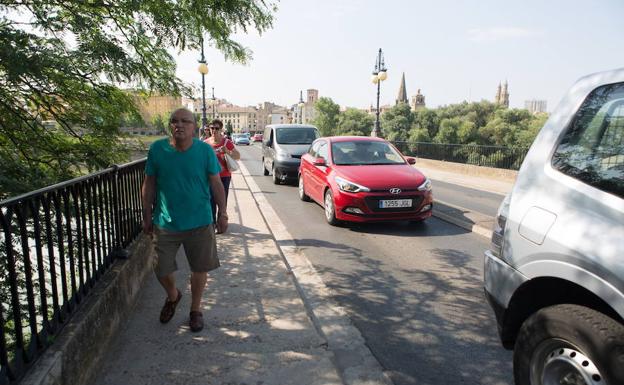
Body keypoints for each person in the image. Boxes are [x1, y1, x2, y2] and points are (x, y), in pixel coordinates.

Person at [141, 108, 228, 333]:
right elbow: (149, 183)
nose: (179, 125)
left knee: (200, 268)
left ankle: (195, 310)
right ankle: (173, 295)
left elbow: (216, 183)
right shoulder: (157, 149)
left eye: (185, 121)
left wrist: (223, 213)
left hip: (200, 220)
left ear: (194, 127)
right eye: (174, 121)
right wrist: (146, 215)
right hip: (166, 221)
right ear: (170, 125)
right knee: (161, 268)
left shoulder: (204, 151)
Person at [204, 119, 240, 229]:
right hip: (210, 177)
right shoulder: (206, 143)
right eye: (212, 128)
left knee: (222, 201)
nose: (214, 130)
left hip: (224, 176)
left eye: (216, 128)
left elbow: (238, 156)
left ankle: (221, 224)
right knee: (211, 200)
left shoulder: (226, 142)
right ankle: (212, 224)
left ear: (221, 130)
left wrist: (227, 151)